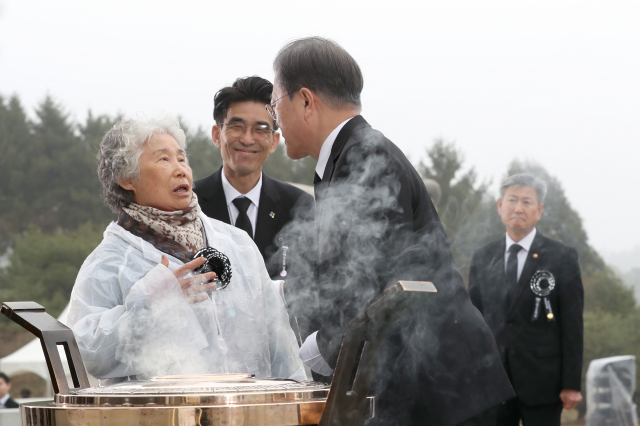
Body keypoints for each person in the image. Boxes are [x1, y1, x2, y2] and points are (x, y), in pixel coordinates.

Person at [269, 36, 514, 426]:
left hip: (446, 391)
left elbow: (377, 279)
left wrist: (324, 346)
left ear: (304, 101)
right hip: (428, 385)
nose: (273, 119)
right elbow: (346, 272)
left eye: (274, 103)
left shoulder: (365, 157)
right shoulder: (350, 155)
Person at [67, 115, 306, 383]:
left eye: (182, 159)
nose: (180, 169)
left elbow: (279, 343)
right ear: (126, 178)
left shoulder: (236, 244)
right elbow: (88, 354)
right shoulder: (109, 263)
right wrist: (147, 305)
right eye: (163, 159)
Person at [468, 174, 584, 426]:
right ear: (500, 205)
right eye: (512, 200)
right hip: (493, 382)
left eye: (527, 202)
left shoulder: (562, 257)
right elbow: (473, 321)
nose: (518, 208)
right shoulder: (482, 258)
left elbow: (572, 325)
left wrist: (571, 384)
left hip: (543, 383)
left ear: (539, 210)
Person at [194, 76, 313, 279]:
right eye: (236, 127)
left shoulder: (300, 207)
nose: (247, 139)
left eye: (261, 129)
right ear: (216, 134)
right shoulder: (189, 205)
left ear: (274, 141)